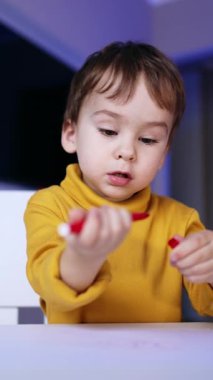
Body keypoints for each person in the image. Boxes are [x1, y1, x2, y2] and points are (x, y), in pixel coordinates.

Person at [24, 41, 213, 324]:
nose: (127, 152)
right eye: (109, 130)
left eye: (148, 139)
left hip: (156, 361)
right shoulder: (49, 204)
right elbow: (47, 283)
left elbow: (208, 305)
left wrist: (209, 269)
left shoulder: (180, 221)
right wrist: (84, 256)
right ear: (71, 133)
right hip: (73, 362)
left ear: (164, 154)